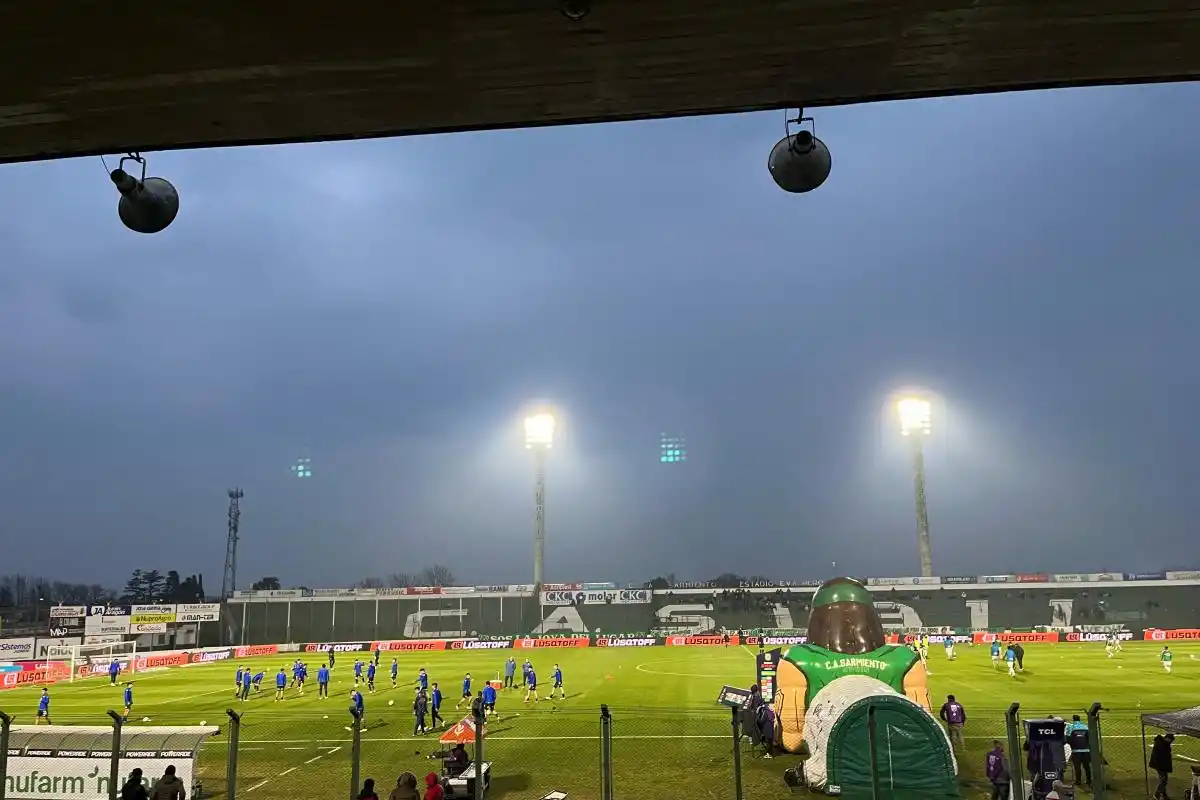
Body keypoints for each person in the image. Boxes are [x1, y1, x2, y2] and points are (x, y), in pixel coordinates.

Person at [1065, 715, 1092, 786]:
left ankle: (1078, 781)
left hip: (1076, 751)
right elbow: (1089, 738)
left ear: (1073, 719)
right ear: (1079, 719)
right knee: (1087, 766)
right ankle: (1089, 780)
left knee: (1077, 767)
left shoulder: (1071, 727)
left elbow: (1068, 739)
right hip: (1086, 750)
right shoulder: (1085, 726)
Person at [1149, 732, 1174, 800]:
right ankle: (1157, 794)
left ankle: (1163, 794)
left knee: (1164, 779)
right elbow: (1163, 756)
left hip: (1159, 764)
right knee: (1163, 779)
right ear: (1167, 739)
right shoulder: (1162, 744)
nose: (1171, 742)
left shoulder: (1162, 743)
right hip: (1159, 765)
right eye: (1171, 740)